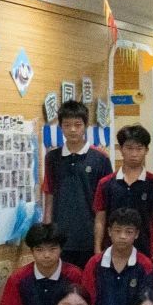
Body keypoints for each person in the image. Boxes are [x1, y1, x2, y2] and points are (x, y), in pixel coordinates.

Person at [41, 100, 111, 269]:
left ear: (85, 126)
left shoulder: (100, 158)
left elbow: (106, 203)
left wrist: (100, 242)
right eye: (67, 125)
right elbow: (49, 196)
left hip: (90, 236)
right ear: (60, 127)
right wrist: (47, 233)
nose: (72, 129)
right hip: (60, 237)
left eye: (77, 125)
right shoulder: (52, 158)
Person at [82, 208, 153, 305]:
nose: (122, 236)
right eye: (117, 231)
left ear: (136, 234)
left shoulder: (146, 266)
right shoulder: (94, 264)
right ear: (109, 231)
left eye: (128, 232)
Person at [93, 124, 153, 263]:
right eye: (129, 148)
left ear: (146, 150)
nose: (134, 154)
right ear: (121, 149)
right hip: (112, 249)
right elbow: (100, 218)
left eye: (139, 148)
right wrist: (97, 248)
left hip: (147, 249)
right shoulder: (106, 183)